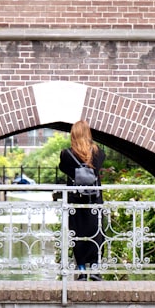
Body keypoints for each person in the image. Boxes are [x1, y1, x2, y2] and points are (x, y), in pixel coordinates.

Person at [59, 119, 105, 280]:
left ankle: (81, 270)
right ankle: (95, 269)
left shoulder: (66, 154)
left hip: (75, 199)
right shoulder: (97, 152)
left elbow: (63, 168)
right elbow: (98, 167)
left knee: (77, 233)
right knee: (96, 233)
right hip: (94, 199)